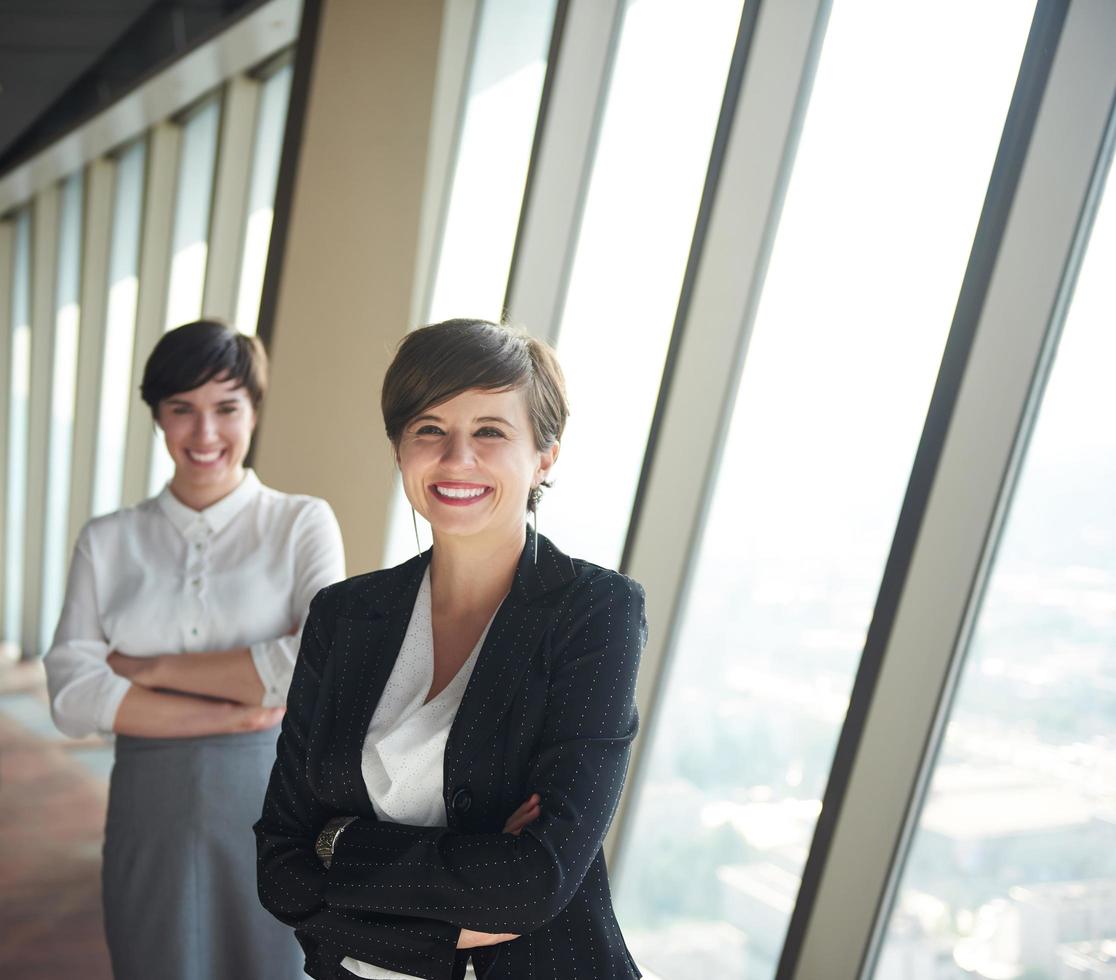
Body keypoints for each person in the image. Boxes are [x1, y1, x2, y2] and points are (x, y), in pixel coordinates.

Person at [255, 319, 648, 980]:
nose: (456, 458)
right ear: (401, 449)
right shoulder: (345, 615)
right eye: (429, 430)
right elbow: (280, 869)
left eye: (490, 431)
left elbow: (537, 881)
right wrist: (460, 899)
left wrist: (340, 844)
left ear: (545, 455)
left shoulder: (594, 611)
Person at [44, 319, 346, 979]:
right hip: (149, 803)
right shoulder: (109, 540)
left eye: (226, 409)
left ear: (255, 411)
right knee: (156, 957)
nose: (205, 434)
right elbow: (70, 695)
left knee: (270, 961)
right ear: (157, 416)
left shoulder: (301, 523)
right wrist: (233, 711)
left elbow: (321, 669)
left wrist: (147, 671)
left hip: (278, 800)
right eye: (182, 410)